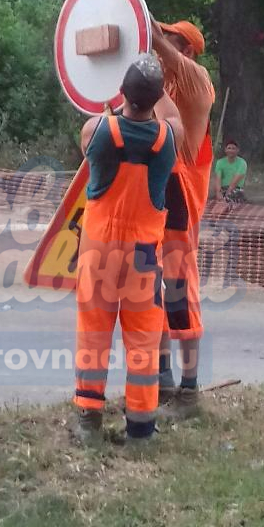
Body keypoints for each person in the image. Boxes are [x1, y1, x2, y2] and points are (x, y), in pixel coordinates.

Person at [74, 54, 184, 443]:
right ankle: (140, 430)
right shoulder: (169, 139)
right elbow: (176, 122)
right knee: (142, 338)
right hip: (142, 255)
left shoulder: (96, 131)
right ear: (156, 98)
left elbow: (92, 140)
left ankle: (88, 420)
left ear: (122, 90)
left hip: (99, 249)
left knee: (94, 332)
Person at [151, 19, 216, 409]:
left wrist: (144, 28)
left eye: (170, 38)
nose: (160, 43)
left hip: (180, 199)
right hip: (161, 195)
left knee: (176, 292)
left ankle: (189, 386)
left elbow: (154, 40)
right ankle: (163, 379)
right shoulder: (164, 86)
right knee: (151, 290)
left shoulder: (196, 79)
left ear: (185, 49)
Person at [214, 139, 248, 204]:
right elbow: (218, 179)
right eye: (229, 148)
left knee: (230, 198)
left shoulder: (242, 163)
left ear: (237, 150)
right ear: (225, 150)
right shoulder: (220, 162)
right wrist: (218, 192)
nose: (231, 150)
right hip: (223, 189)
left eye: (233, 148)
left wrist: (227, 194)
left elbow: (235, 181)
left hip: (236, 189)